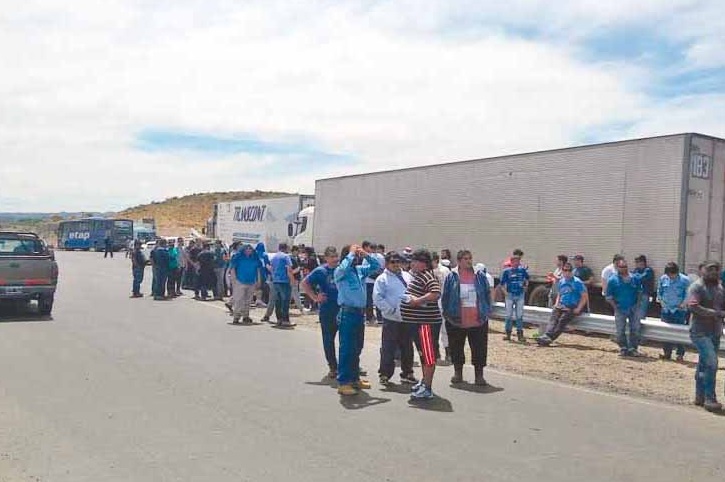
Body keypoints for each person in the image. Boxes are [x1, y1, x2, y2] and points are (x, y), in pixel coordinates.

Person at [334, 244, 380, 396]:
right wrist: (351, 254)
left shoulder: (359, 271)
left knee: (357, 348)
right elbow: (341, 269)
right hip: (347, 313)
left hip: (359, 314)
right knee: (346, 349)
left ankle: (354, 378)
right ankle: (343, 382)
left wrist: (365, 254)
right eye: (354, 255)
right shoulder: (341, 272)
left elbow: (376, 266)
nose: (356, 257)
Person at [441, 250, 492, 385]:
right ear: (459, 261)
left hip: (478, 320)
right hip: (456, 320)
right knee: (456, 348)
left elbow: (487, 293)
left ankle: (479, 376)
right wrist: (447, 314)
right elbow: (445, 295)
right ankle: (458, 374)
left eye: (470, 258)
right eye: (465, 259)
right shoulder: (451, 276)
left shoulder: (479, 276)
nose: (469, 261)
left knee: (479, 349)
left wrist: (486, 311)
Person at [400, 249, 442, 400]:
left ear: (422, 263)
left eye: (413, 261)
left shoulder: (427, 276)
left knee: (428, 356)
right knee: (423, 354)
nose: (411, 264)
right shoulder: (418, 276)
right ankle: (424, 382)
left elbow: (435, 293)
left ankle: (427, 388)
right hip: (419, 323)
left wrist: (417, 301)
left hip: (426, 324)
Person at [373, 251, 416, 386]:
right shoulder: (382, 279)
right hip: (391, 319)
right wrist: (390, 310)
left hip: (407, 318)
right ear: (387, 264)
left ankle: (407, 373)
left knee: (407, 347)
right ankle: (385, 374)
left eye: (398, 261)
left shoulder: (407, 276)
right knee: (388, 348)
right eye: (393, 262)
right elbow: (377, 298)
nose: (396, 264)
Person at [687, 261, 725, 412]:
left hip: (715, 332)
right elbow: (693, 306)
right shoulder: (696, 287)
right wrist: (716, 313)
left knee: (704, 365)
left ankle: (700, 396)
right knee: (712, 363)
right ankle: (710, 398)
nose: (714, 272)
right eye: (710, 269)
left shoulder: (720, 288)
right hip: (699, 332)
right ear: (703, 271)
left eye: (716, 269)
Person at [301, 246, 341, 378]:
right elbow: (305, 283)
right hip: (327, 310)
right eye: (332, 256)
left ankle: (346, 365)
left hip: (343, 309)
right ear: (326, 258)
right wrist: (314, 297)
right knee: (328, 339)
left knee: (346, 340)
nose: (335, 259)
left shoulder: (342, 270)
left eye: (336, 256)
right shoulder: (320, 271)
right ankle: (332, 366)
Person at [536, 262, 588, 346]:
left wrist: (578, 308)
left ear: (572, 271)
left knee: (562, 321)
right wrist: (557, 303)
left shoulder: (577, 282)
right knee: (553, 319)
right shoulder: (562, 281)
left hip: (572, 306)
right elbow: (560, 294)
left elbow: (584, 296)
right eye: (565, 270)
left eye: (569, 270)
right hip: (561, 304)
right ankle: (546, 335)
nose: (567, 272)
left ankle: (550, 338)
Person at [606, 259, 643, 357]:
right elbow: (609, 296)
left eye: (625, 266)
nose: (624, 269)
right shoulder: (612, 280)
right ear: (617, 267)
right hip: (620, 309)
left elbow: (640, 292)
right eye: (621, 267)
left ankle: (633, 348)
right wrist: (615, 306)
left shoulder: (635, 278)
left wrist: (637, 305)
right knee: (620, 330)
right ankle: (623, 348)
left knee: (635, 329)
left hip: (633, 308)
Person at [657, 262, 691, 361]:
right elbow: (660, 291)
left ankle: (680, 354)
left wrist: (683, 304)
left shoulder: (685, 280)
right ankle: (667, 353)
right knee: (665, 332)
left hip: (679, 310)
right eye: (668, 274)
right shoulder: (663, 278)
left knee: (679, 332)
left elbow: (688, 294)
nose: (670, 276)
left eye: (672, 274)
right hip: (666, 310)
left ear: (676, 272)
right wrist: (662, 302)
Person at [228, 243, 262, 324]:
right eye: (247, 249)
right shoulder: (238, 258)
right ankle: (236, 316)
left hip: (251, 281)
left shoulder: (255, 258)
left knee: (248, 300)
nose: (248, 251)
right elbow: (232, 269)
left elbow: (258, 270)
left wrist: (258, 280)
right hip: (240, 281)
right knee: (239, 300)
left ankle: (246, 316)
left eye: (250, 249)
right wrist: (234, 280)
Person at [499, 254, 529, 342]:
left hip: (520, 295)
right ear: (511, 262)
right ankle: (508, 334)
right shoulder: (506, 271)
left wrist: (525, 287)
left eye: (518, 261)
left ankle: (520, 334)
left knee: (519, 315)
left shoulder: (522, 270)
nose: (516, 263)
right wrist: (505, 293)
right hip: (510, 295)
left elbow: (527, 279)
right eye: (515, 261)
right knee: (508, 315)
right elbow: (502, 284)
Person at [431, 251, 451, 362]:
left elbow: (449, 288)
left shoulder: (445, 271)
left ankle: (449, 353)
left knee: (445, 330)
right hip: (431, 306)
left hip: (443, 304)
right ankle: (436, 354)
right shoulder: (426, 271)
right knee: (433, 332)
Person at [269, 243, 295, 327]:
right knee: (285, 301)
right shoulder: (286, 257)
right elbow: (289, 269)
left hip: (276, 281)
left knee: (278, 301)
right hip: (284, 281)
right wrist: (292, 280)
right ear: (286, 248)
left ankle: (279, 319)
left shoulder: (274, 257)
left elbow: (271, 268)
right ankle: (285, 320)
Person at [633, 255, 655, 320]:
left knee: (642, 312)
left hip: (644, 294)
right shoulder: (636, 270)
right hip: (636, 294)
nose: (636, 264)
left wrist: (635, 276)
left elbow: (640, 278)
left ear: (642, 262)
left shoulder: (648, 270)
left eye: (637, 262)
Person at [289, 246, 305, 315]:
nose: (298, 252)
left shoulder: (296, 258)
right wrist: (296, 270)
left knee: (290, 294)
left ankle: (284, 307)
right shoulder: (290, 258)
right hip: (293, 278)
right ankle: (300, 308)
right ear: (294, 251)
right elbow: (291, 270)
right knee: (295, 294)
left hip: (296, 278)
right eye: (297, 251)